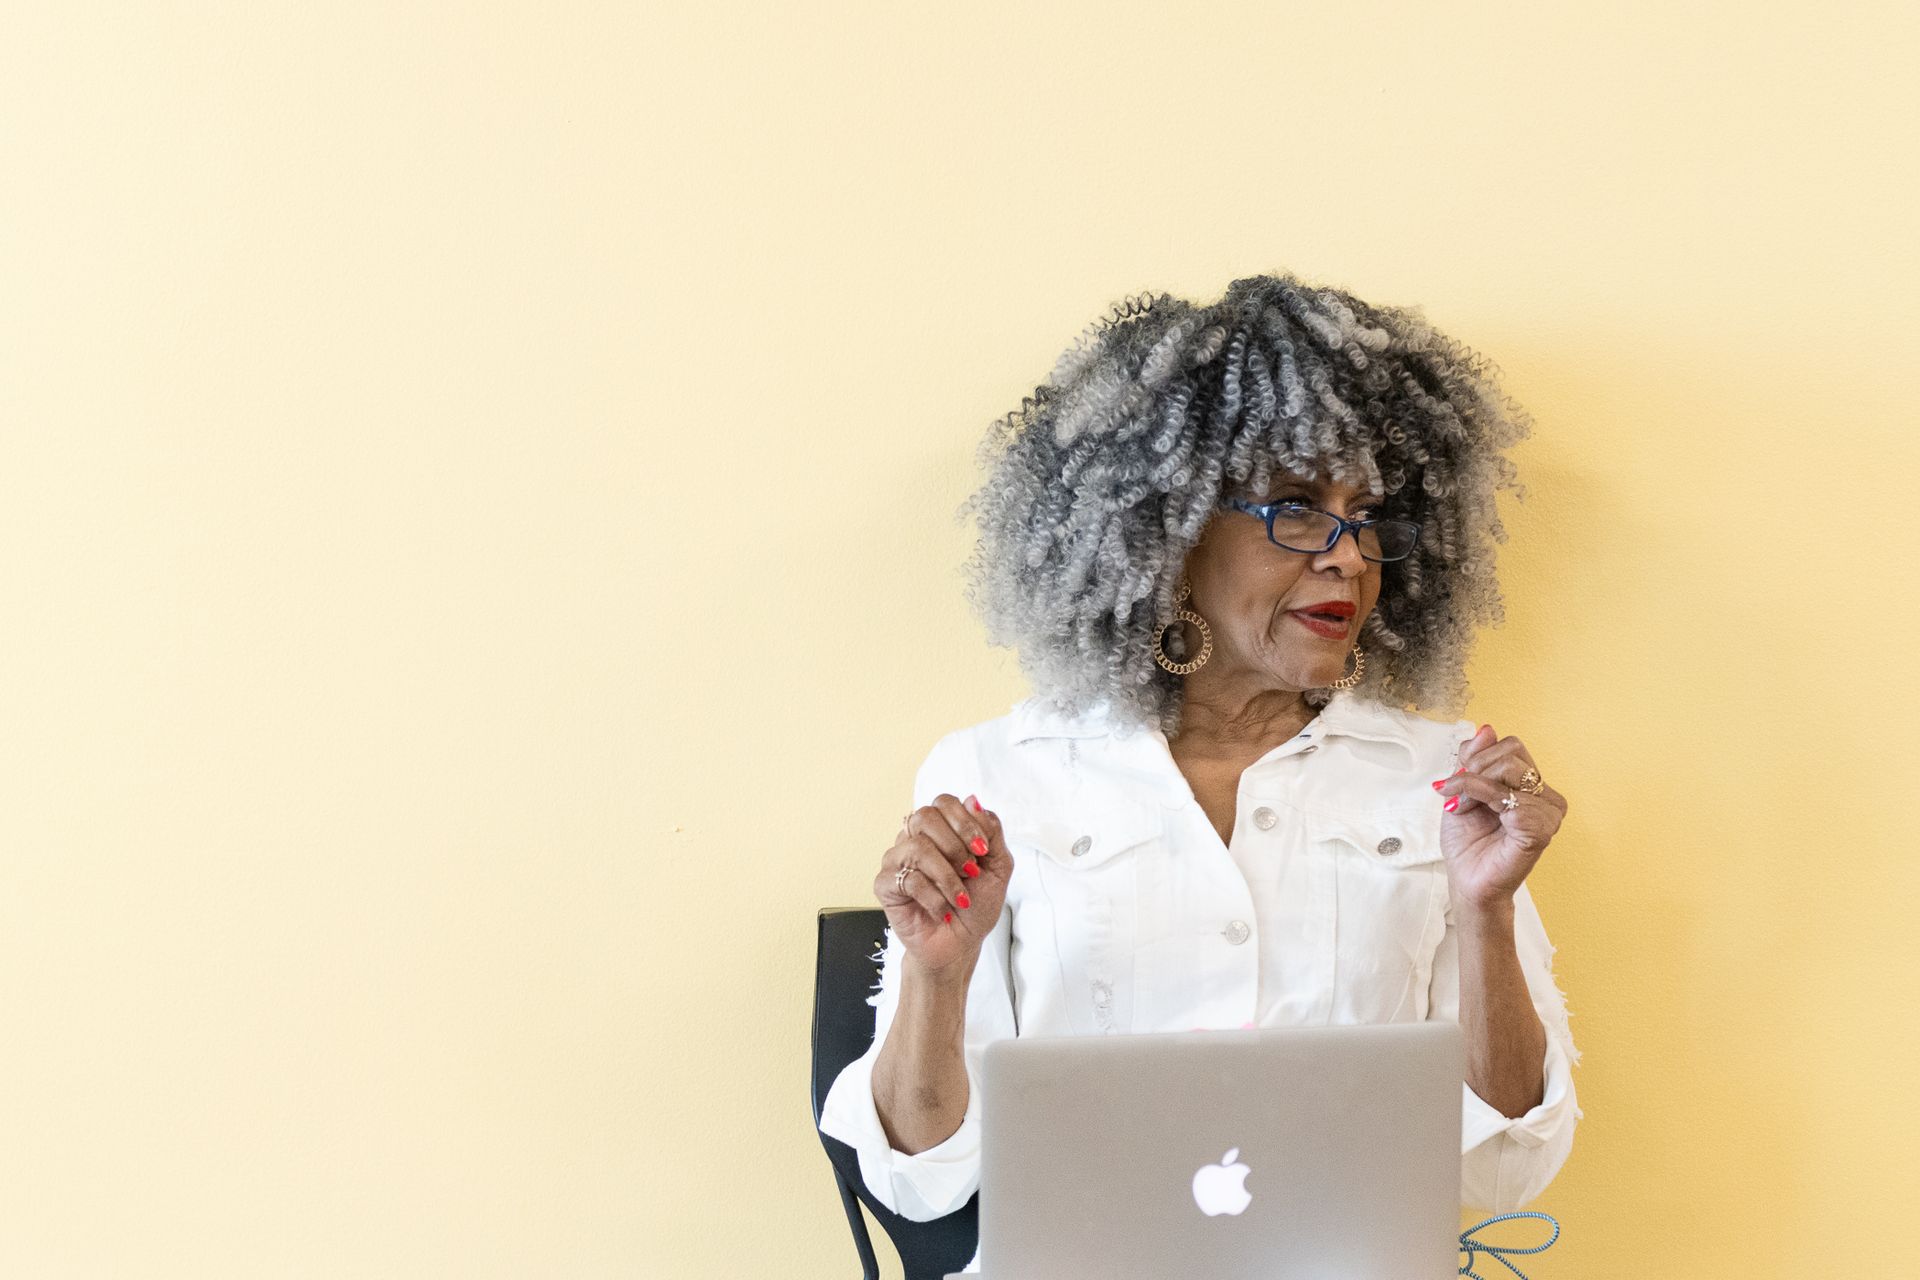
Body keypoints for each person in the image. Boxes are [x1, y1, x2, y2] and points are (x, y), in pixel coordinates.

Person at [817, 274, 1582, 1273]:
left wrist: (1485, 912)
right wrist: (939, 970)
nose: (1349, 556)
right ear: (1168, 531)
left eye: (1366, 517)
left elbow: (1507, 1168)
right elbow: (919, 1173)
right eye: (1298, 509)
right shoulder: (995, 772)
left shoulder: (1445, 785)